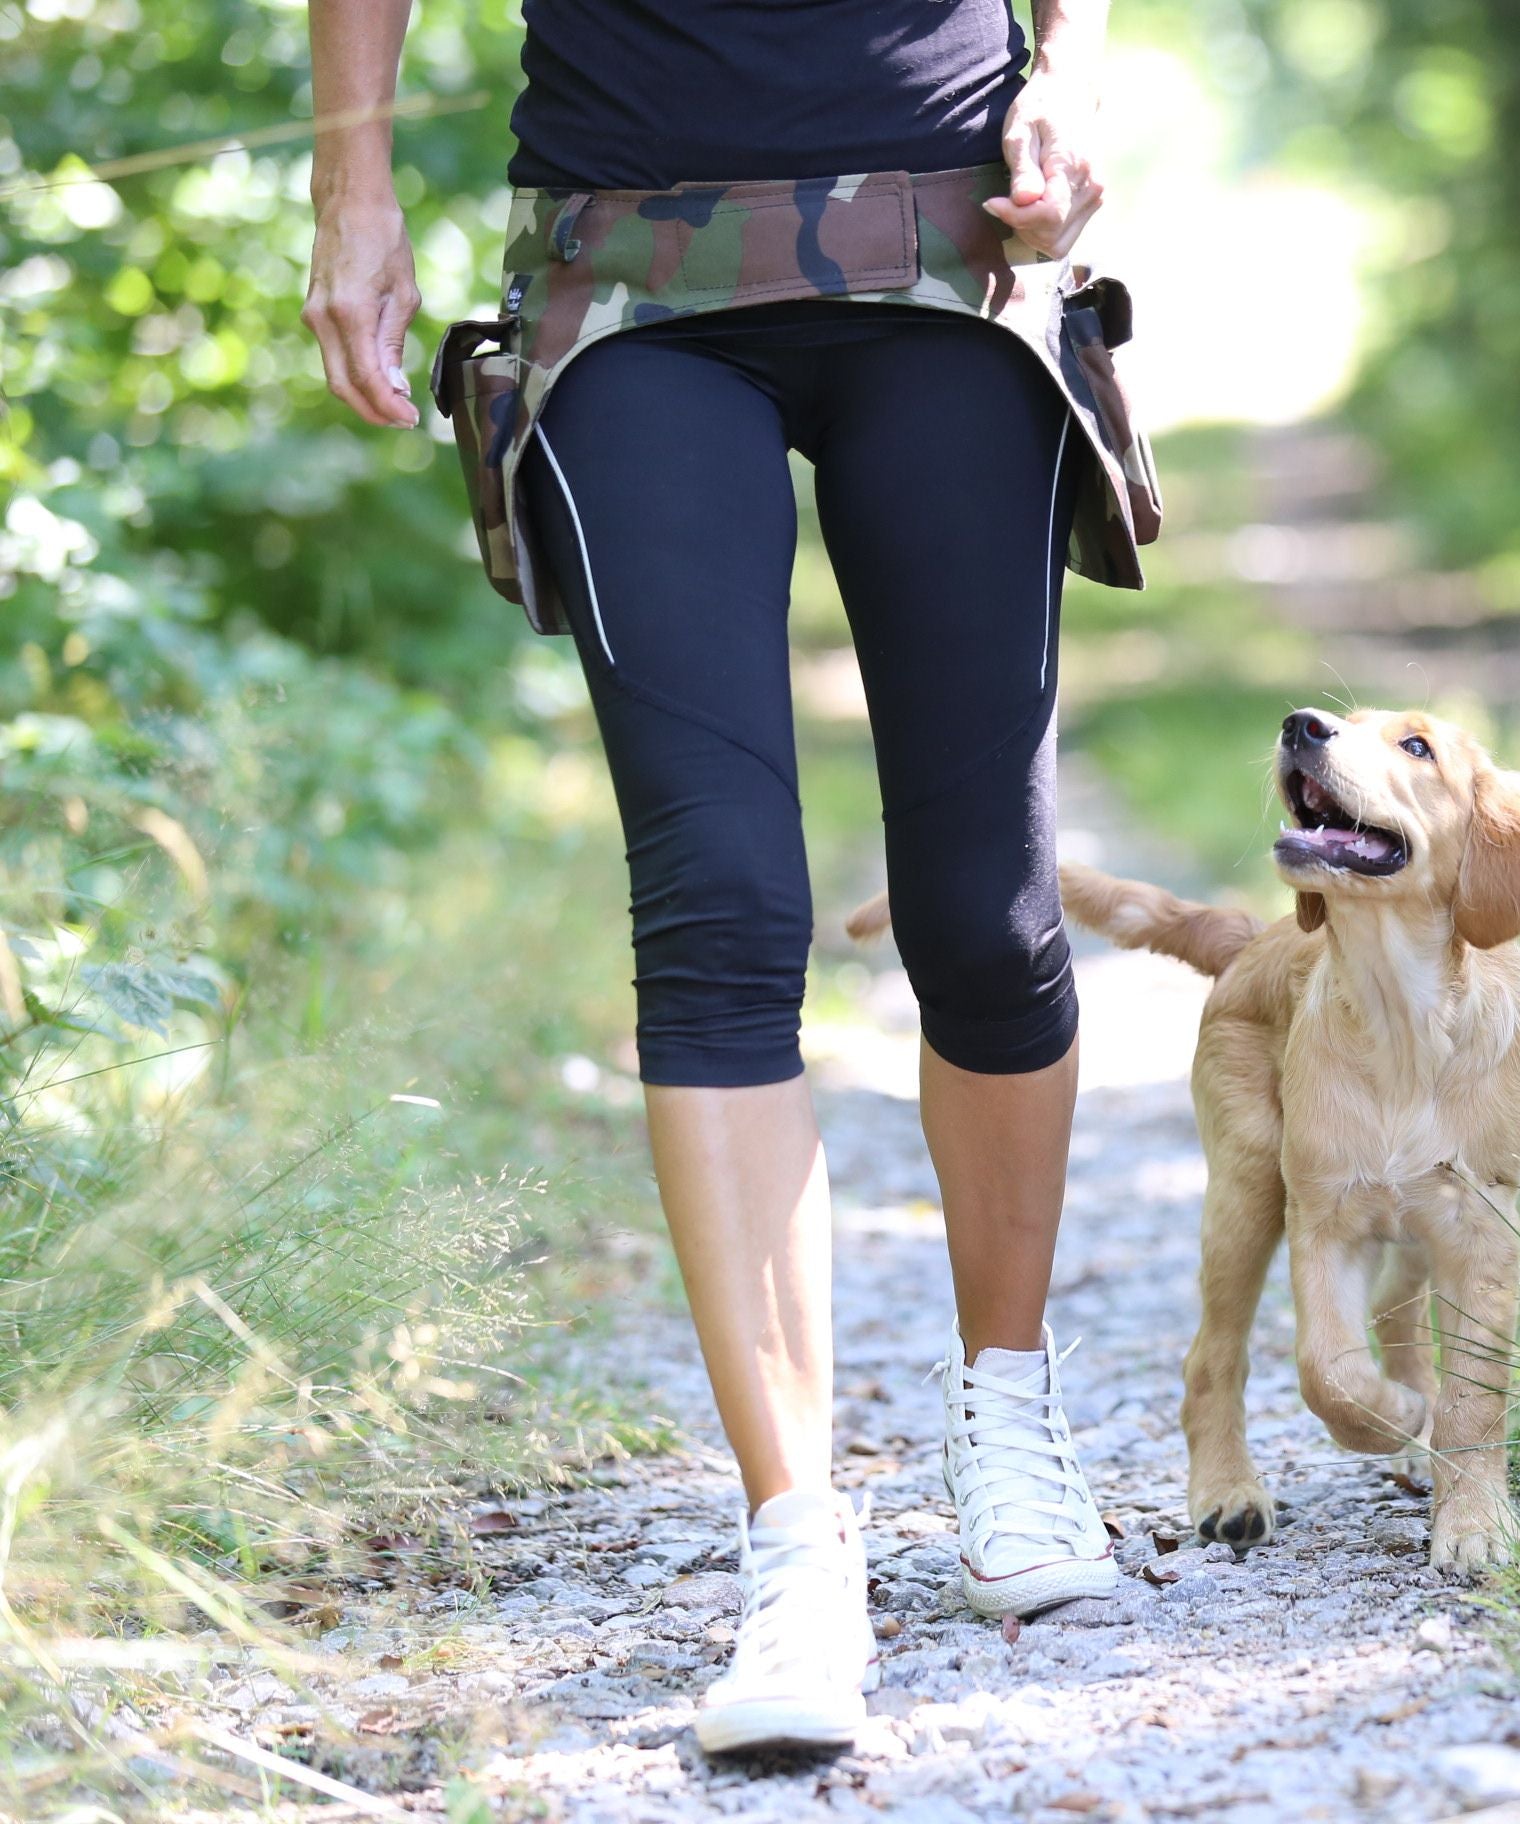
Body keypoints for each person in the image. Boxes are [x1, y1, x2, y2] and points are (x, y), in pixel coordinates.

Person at [304, 0, 1125, 1757]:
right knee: (722, 904)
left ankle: (1007, 1410)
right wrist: (349, 181)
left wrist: (1070, 67)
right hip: (628, 278)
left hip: (948, 244)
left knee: (986, 913)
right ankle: (795, 1542)